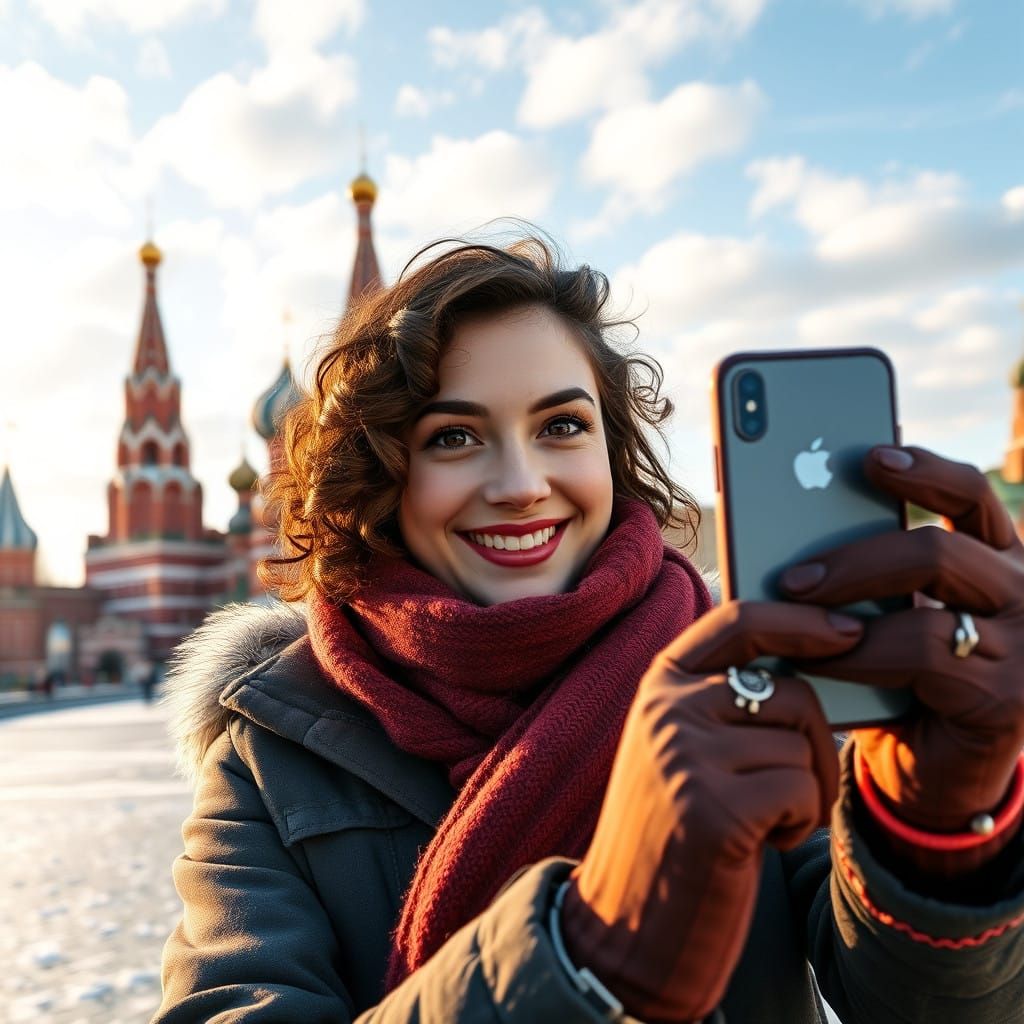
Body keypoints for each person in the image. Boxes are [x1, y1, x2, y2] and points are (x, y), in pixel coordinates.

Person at [154, 235, 1024, 1023]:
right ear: (383, 477)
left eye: (562, 425)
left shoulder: (745, 680)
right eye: (455, 436)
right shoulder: (274, 749)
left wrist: (940, 835)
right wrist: (587, 953)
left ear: (614, 452)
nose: (523, 482)